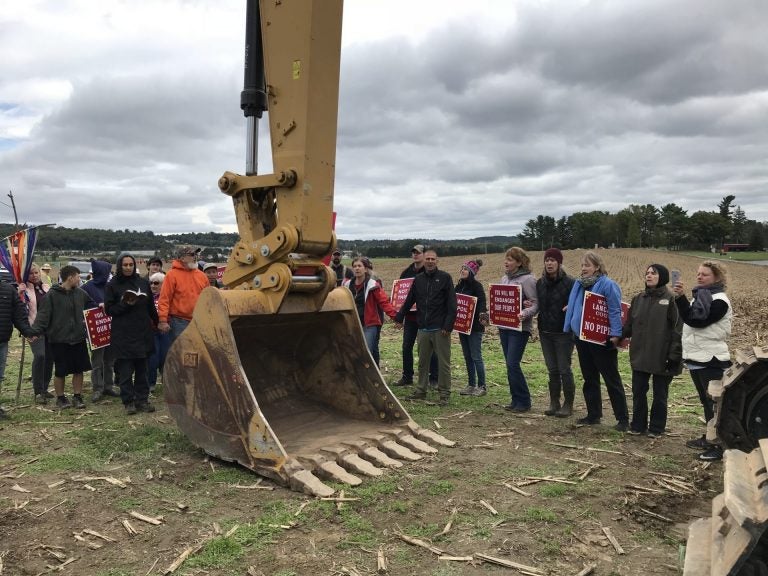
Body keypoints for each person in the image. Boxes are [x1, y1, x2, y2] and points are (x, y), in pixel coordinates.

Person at [673, 261, 732, 461]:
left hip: (712, 359)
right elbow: (689, 319)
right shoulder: (701, 297)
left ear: (717, 277)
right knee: (705, 402)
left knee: (715, 405)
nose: (699, 277)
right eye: (698, 274)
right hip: (697, 358)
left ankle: (719, 445)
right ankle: (710, 437)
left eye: (705, 275)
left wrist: (680, 298)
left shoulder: (719, 301)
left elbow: (696, 321)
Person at [564, 251, 629, 430]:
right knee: (589, 378)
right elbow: (577, 304)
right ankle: (593, 415)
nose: (583, 268)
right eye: (582, 265)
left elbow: (615, 310)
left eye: (587, 265)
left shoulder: (608, 285)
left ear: (597, 267)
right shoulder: (579, 284)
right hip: (582, 338)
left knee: (611, 379)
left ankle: (622, 419)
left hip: (601, 340)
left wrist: (615, 335)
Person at [621, 264, 683, 437]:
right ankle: (638, 425)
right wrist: (617, 336)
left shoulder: (672, 300)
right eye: (647, 273)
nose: (649, 276)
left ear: (662, 277)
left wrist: (674, 356)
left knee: (660, 395)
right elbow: (629, 325)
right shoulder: (638, 298)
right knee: (639, 392)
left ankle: (656, 427)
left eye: (653, 273)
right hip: (640, 354)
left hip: (662, 356)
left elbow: (678, 330)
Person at [395, 248, 456, 406]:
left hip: (440, 328)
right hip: (423, 328)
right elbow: (409, 300)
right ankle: (421, 390)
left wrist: (448, 326)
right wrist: (399, 317)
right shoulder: (418, 279)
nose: (430, 261)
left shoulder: (445, 278)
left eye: (432, 259)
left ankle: (444, 394)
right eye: (427, 259)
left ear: (437, 261)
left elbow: (452, 305)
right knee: (423, 362)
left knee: (443, 363)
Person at [28, 265, 94, 410]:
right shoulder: (51, 295)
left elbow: (92, 307)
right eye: (77, 276)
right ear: (70, 277)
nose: (79, 279)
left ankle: (77, 396)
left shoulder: (81, 294)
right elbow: (43, 317)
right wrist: (33, 332)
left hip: (78, 337)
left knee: (79, 369)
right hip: (59, 339)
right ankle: (61, 398)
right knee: (61, 371)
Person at [105, 253, 159, 414]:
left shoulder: (142, 282)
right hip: (123, 334)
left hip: (142, 332)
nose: (128, 267)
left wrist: (158, 322)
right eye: (125, 265)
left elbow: (150, 307)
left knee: (142, 370)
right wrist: (125, 304)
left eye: (131, 265)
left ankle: (142, 399)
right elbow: (109, 310)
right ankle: (128, 401)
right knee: (126, 371)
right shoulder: (113, 285)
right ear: (120, 266)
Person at [535, 248, 576, 417]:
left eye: (553, 260)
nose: (549, 263)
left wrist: (571, 308)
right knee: (552, 369)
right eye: (547, 260)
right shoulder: (540, 283)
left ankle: (568, 404)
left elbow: (579, 304)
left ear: (559, 263)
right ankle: (554, 402)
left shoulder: (570, 283)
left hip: (563, 333)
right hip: (545, 332)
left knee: (564, 369)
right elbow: (538, 304)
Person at [498, 247, 538, 413]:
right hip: (504, 327)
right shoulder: (504, 279)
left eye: (511, 259)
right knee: (509, 365)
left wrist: (525, 312)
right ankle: (515, 400)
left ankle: (524, 400)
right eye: (506, 258)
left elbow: (536, 304)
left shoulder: (528, 280)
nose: (506, 262)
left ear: (519, 263)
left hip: (520, 328)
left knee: (512, 363)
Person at [392, 244, 438, 388]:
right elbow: (401, 296)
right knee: (406, 346)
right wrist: (399, 316)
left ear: (424, 255)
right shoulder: (406, 273)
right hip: (411, 318)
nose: (415, 255)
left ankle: (434, 378)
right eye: (414, 252)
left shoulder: (430, 271)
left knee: (430, 349)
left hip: (426, 317)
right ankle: (407, 376)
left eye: (418, 252)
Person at [343, 257, 398, 366]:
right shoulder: (347, 285)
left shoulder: (373, 285)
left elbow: (384, 302)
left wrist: (396, 317)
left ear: (365, 269)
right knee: (355, 351)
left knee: (367, 352)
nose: (357, 268)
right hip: (354, 324)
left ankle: (374, 378)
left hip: (369, 324)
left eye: (359, 266)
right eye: (354, 266)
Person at [81, 259, 118, 402]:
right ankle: (97, 388)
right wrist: (97, 306)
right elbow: (83, 305)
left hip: (109, 328)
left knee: (109, 360)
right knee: (97, 361)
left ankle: (109, 385)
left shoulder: (110, 286)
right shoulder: (87, 287)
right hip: (95, 330)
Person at [17, 264, 54, 404]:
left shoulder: (46, 287)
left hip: (50, 329)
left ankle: (44, 388)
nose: (34, 275)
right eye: (31, 273)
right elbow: (19, 308)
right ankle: (38, 391)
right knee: (40, 356)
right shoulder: (23, 289)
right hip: (33, 329)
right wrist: (19, 293)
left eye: (36, 272)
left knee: (50, 358)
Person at [157, 246, 209, 343]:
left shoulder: (202, 276)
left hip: (200, 321)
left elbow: (208, 299)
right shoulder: (171, 275)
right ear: (182, 258)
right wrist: (163, 320)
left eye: (196, 254)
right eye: (192, 255)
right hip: (179, 322)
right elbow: (164, 299)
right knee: (181, 354)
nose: (195, 257)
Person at [0, 279, 35, 419]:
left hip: (2, 341)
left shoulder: (8, 290)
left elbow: (18, 315)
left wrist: (28, 332)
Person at [456, 259, 488, 397]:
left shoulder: (477, 286)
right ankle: (471, 384)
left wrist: (482, 315)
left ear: (472, 272)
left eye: (466, 269)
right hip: (462, 326)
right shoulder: (458, 286)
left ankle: (482, 386)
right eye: (462, 268)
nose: (463, 271)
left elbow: (482, 303)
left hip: (474, 327)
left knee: (476, 357)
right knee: (467, 356)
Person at [147, 272, 170, 392]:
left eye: (156, 283)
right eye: (151, 283)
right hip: (151, 332)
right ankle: (151, 383)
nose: (153, 286)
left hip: (165, 331)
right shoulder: (147, 297)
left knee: (165, 357)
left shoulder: (168, 297)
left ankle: (167, 381)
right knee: (153, 358)